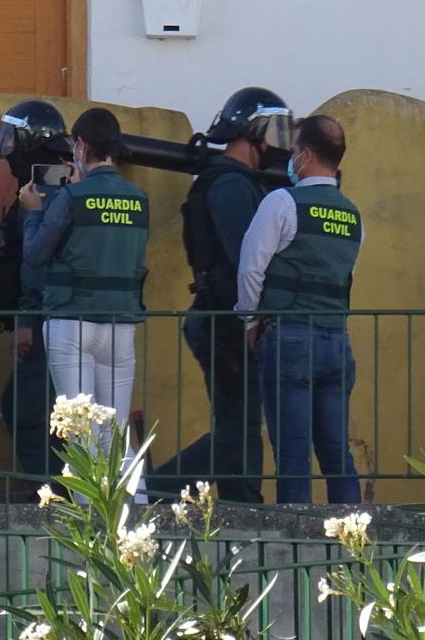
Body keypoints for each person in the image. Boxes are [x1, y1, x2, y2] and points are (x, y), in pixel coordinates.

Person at [153, 88, 291, 503]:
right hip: (225, 321)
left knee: (244, 425)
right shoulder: (231, 185)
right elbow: (246, 258)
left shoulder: (237, 181)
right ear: (252, 133)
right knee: (237, 431)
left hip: (227, 318)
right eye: (275, 131)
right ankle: (152, 489)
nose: (281, 143)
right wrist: (255, 317)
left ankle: (244, 506)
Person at [236, 115, 362, 504]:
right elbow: (345, 275)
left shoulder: (282, 202)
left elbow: (251, 267)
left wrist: (249, 321)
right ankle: (354, 547)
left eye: (293, 152)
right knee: (337, 456)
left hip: (289, 338)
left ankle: (294, 550)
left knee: (293, 457)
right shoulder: (352, 215)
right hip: (337, 343)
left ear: (305, 155)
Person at [21, 108, 149, 445]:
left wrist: (33, 213)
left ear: (80, 145)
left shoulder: (70, 196)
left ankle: (87, 501)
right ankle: (129, 500)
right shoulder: (138, 199)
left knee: (81, 437)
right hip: (121, 323)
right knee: (114, 434)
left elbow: (35, 253)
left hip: (71, 320)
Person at [0, 101, 70, 483]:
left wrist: (25, 320)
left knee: (24, 409)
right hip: (59, 319)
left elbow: (36, 263)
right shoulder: (60, 180)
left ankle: (56, 494)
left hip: (46, 321)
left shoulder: (46, 189)